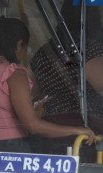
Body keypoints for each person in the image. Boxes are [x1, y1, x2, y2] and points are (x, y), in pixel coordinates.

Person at [0, 17, 94, 173]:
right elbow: (33, 125)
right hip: (10, 153)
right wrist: (78, 130)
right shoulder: (14, 72)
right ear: (19, 44)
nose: (24, 54)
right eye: (25, 48)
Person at [30, 0, 103, 156]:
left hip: (50, 131)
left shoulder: (42, 53)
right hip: (86, 133)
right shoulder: (89, 49)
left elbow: (34, 93)